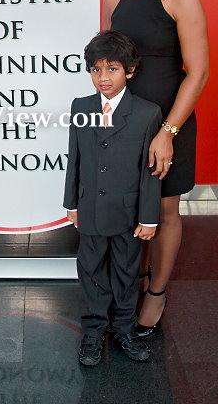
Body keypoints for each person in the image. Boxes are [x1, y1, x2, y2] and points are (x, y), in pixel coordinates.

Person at [103, 0, 209, 336]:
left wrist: (168, 132)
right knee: (132, 207)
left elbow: (198, 73)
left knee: (164, 208)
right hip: (125, 124)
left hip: (170, 122)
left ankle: (157, 293)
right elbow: (108, 65)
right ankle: (136, 280)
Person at [64, 30, 162, 365]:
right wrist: (71, 203)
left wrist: (148, 217)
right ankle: (93, 332)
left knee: (126, 271)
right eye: (96, 69)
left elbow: (149, 171)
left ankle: (123, 328)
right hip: (89, 207)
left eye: (112, 69)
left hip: (128, 212)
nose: (103, 77)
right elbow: (74, 158)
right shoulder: (80, 107)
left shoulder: (147, 113)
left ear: (129, 71)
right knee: (91, 269)